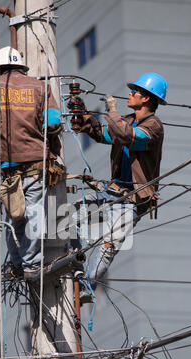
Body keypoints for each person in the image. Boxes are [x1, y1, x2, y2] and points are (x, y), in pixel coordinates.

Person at [72, 72, 168, 302]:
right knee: (72, 213)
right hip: (113, 191)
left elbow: (125, 136)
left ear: (146, 99)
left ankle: (87, 287)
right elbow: (103, 134)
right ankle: (74, 261)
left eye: (135, 91)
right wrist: (83, 115)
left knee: (109, 244)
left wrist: (112, 111)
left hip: (133, 198)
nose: (130, 93)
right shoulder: (126, 120)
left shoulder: (154, 127)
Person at [0, 46, 63, 280]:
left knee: (13, 216)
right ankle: (32, 265)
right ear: (21, 66)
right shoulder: (41, 87)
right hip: (35, 163)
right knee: (33, 214)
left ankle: (18, 265)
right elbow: (53, 123)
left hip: (8, 166)